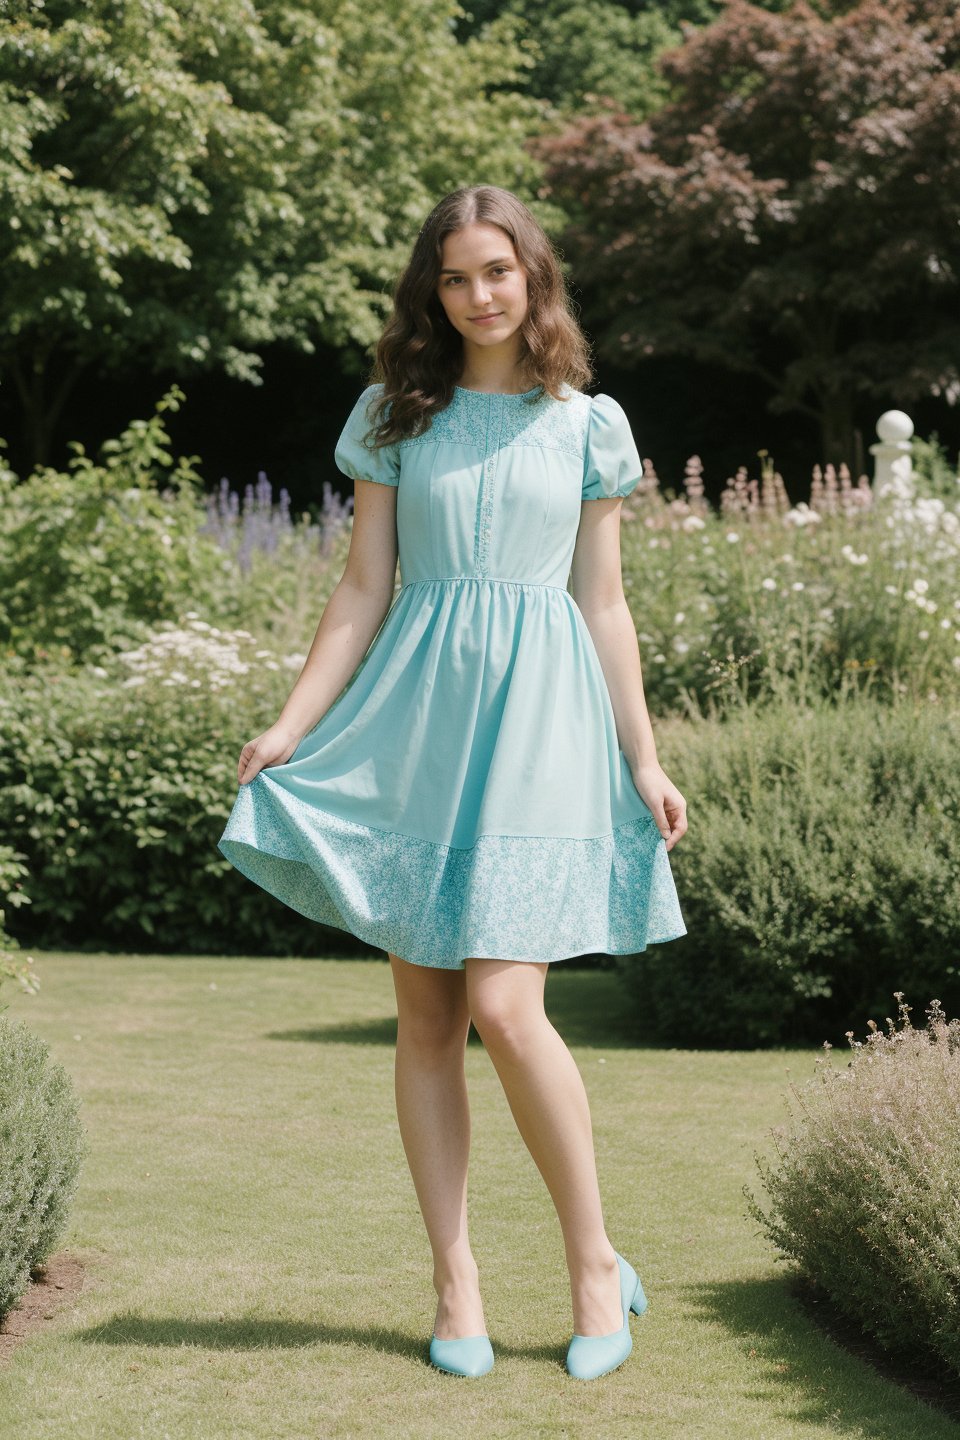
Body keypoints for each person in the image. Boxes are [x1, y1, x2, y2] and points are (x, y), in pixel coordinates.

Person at [217, 184, 688, 1381]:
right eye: (456, 275)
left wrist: (643, 754)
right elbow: (363, 589)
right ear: (434, 290)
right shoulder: (392, 414)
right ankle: (456, 1282)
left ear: (535, 276)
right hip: (414, 724)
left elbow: (604, 603)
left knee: (510, 1005)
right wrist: (288, 723)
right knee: (427, 1016)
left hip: (541, 724)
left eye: (498, 270)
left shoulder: (587, 423)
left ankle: (596, 1267)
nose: (480, 293)